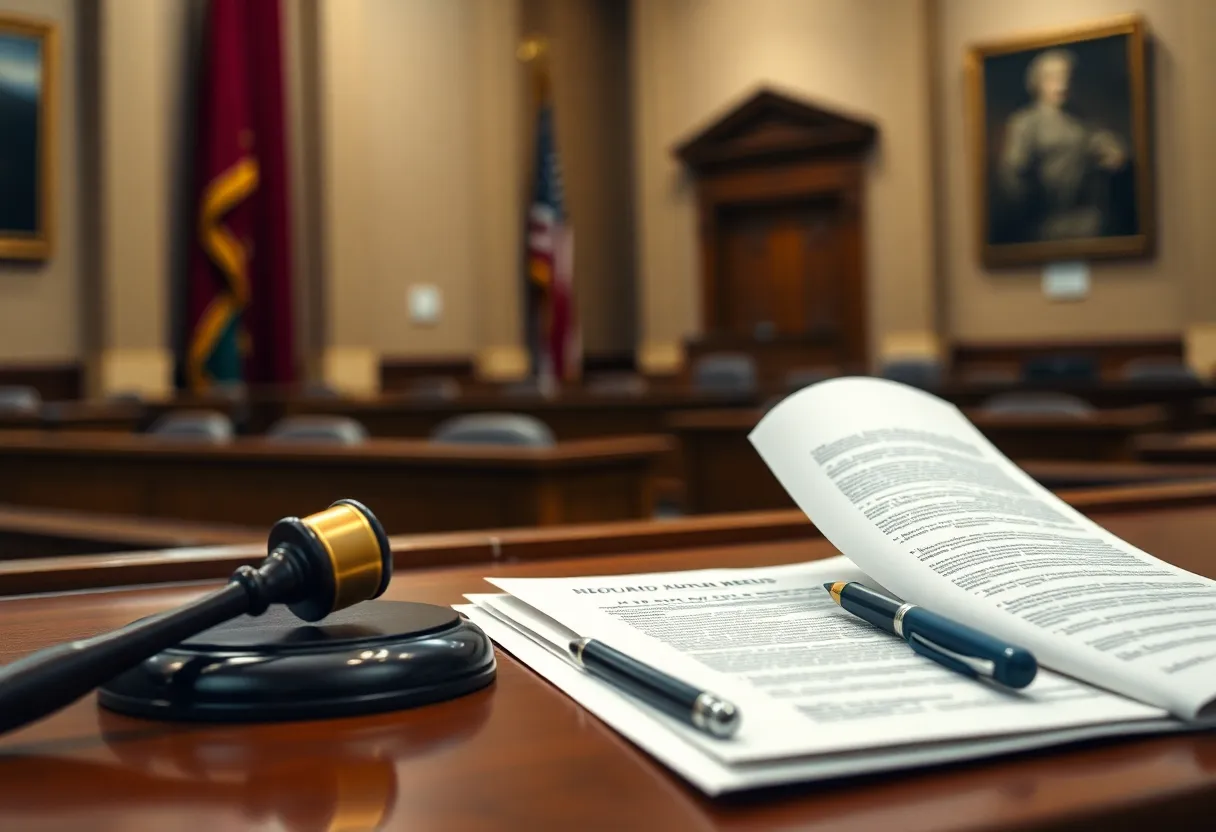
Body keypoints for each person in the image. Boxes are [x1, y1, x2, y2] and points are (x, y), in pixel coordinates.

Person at [997, 48, 1128, 241]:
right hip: (1042, 221)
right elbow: (1013, 174)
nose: (1062, 84)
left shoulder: (1082, 123)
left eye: (1067, 77)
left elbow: (1106, 146)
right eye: (1053, 78)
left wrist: (1114, 153)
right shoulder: (1025, 123)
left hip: (1084, 219)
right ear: (1037, 82)